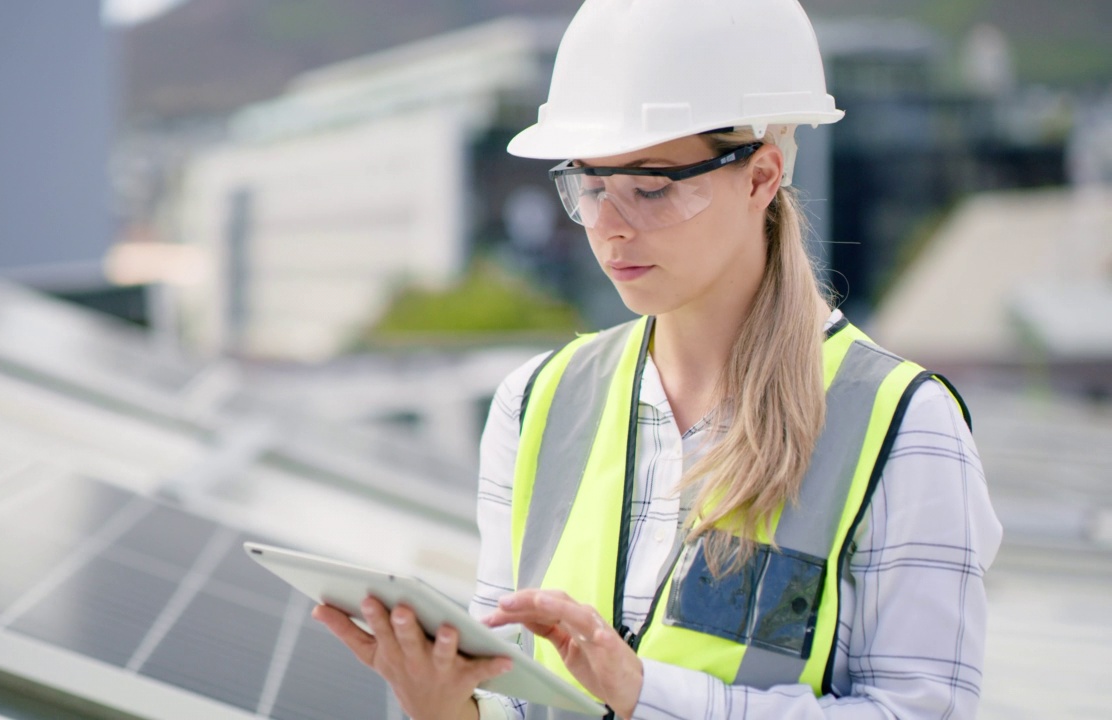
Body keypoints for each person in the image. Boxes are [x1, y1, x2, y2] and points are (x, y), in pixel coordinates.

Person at [313, 1, 1003, 718]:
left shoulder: (902, 425)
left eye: (649, 188)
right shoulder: (537, 402)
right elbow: (509, 698)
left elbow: (924, 711)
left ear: (762, 177)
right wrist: (441, 705)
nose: (609, 227)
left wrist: (648, 697)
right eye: (591, 186)